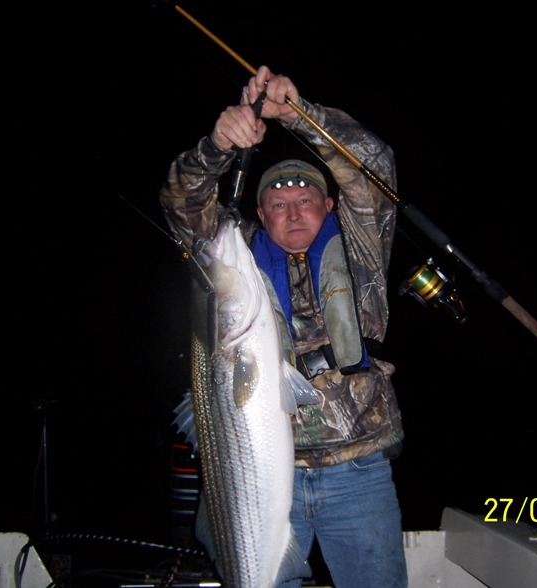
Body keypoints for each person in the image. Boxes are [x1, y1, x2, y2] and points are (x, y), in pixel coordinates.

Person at [158, 65, 408, 588]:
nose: (292, 213)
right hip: (258, 481)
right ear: (261, 213)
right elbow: (181, 203)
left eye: (305, 201)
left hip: (358, 476)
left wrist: (300, 114)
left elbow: (374, 162)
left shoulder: (361, 250)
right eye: (277, 204)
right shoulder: (240, 260)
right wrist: (218, 146)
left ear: (330, 204)